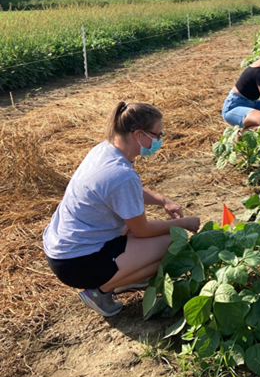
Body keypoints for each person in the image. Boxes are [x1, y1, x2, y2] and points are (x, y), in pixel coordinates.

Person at [43, 102, 200, 317]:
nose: (160, 139)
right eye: (157, 134)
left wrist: (163, 200)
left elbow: (124, 191)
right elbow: (141, 230)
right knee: (172, 243)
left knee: (145, 236)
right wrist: (183, 223)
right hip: (76, 262)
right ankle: (100, 291)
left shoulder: (105, 150)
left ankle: (124, 275)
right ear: (138, 134)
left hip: (62, 248)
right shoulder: (120, 175)